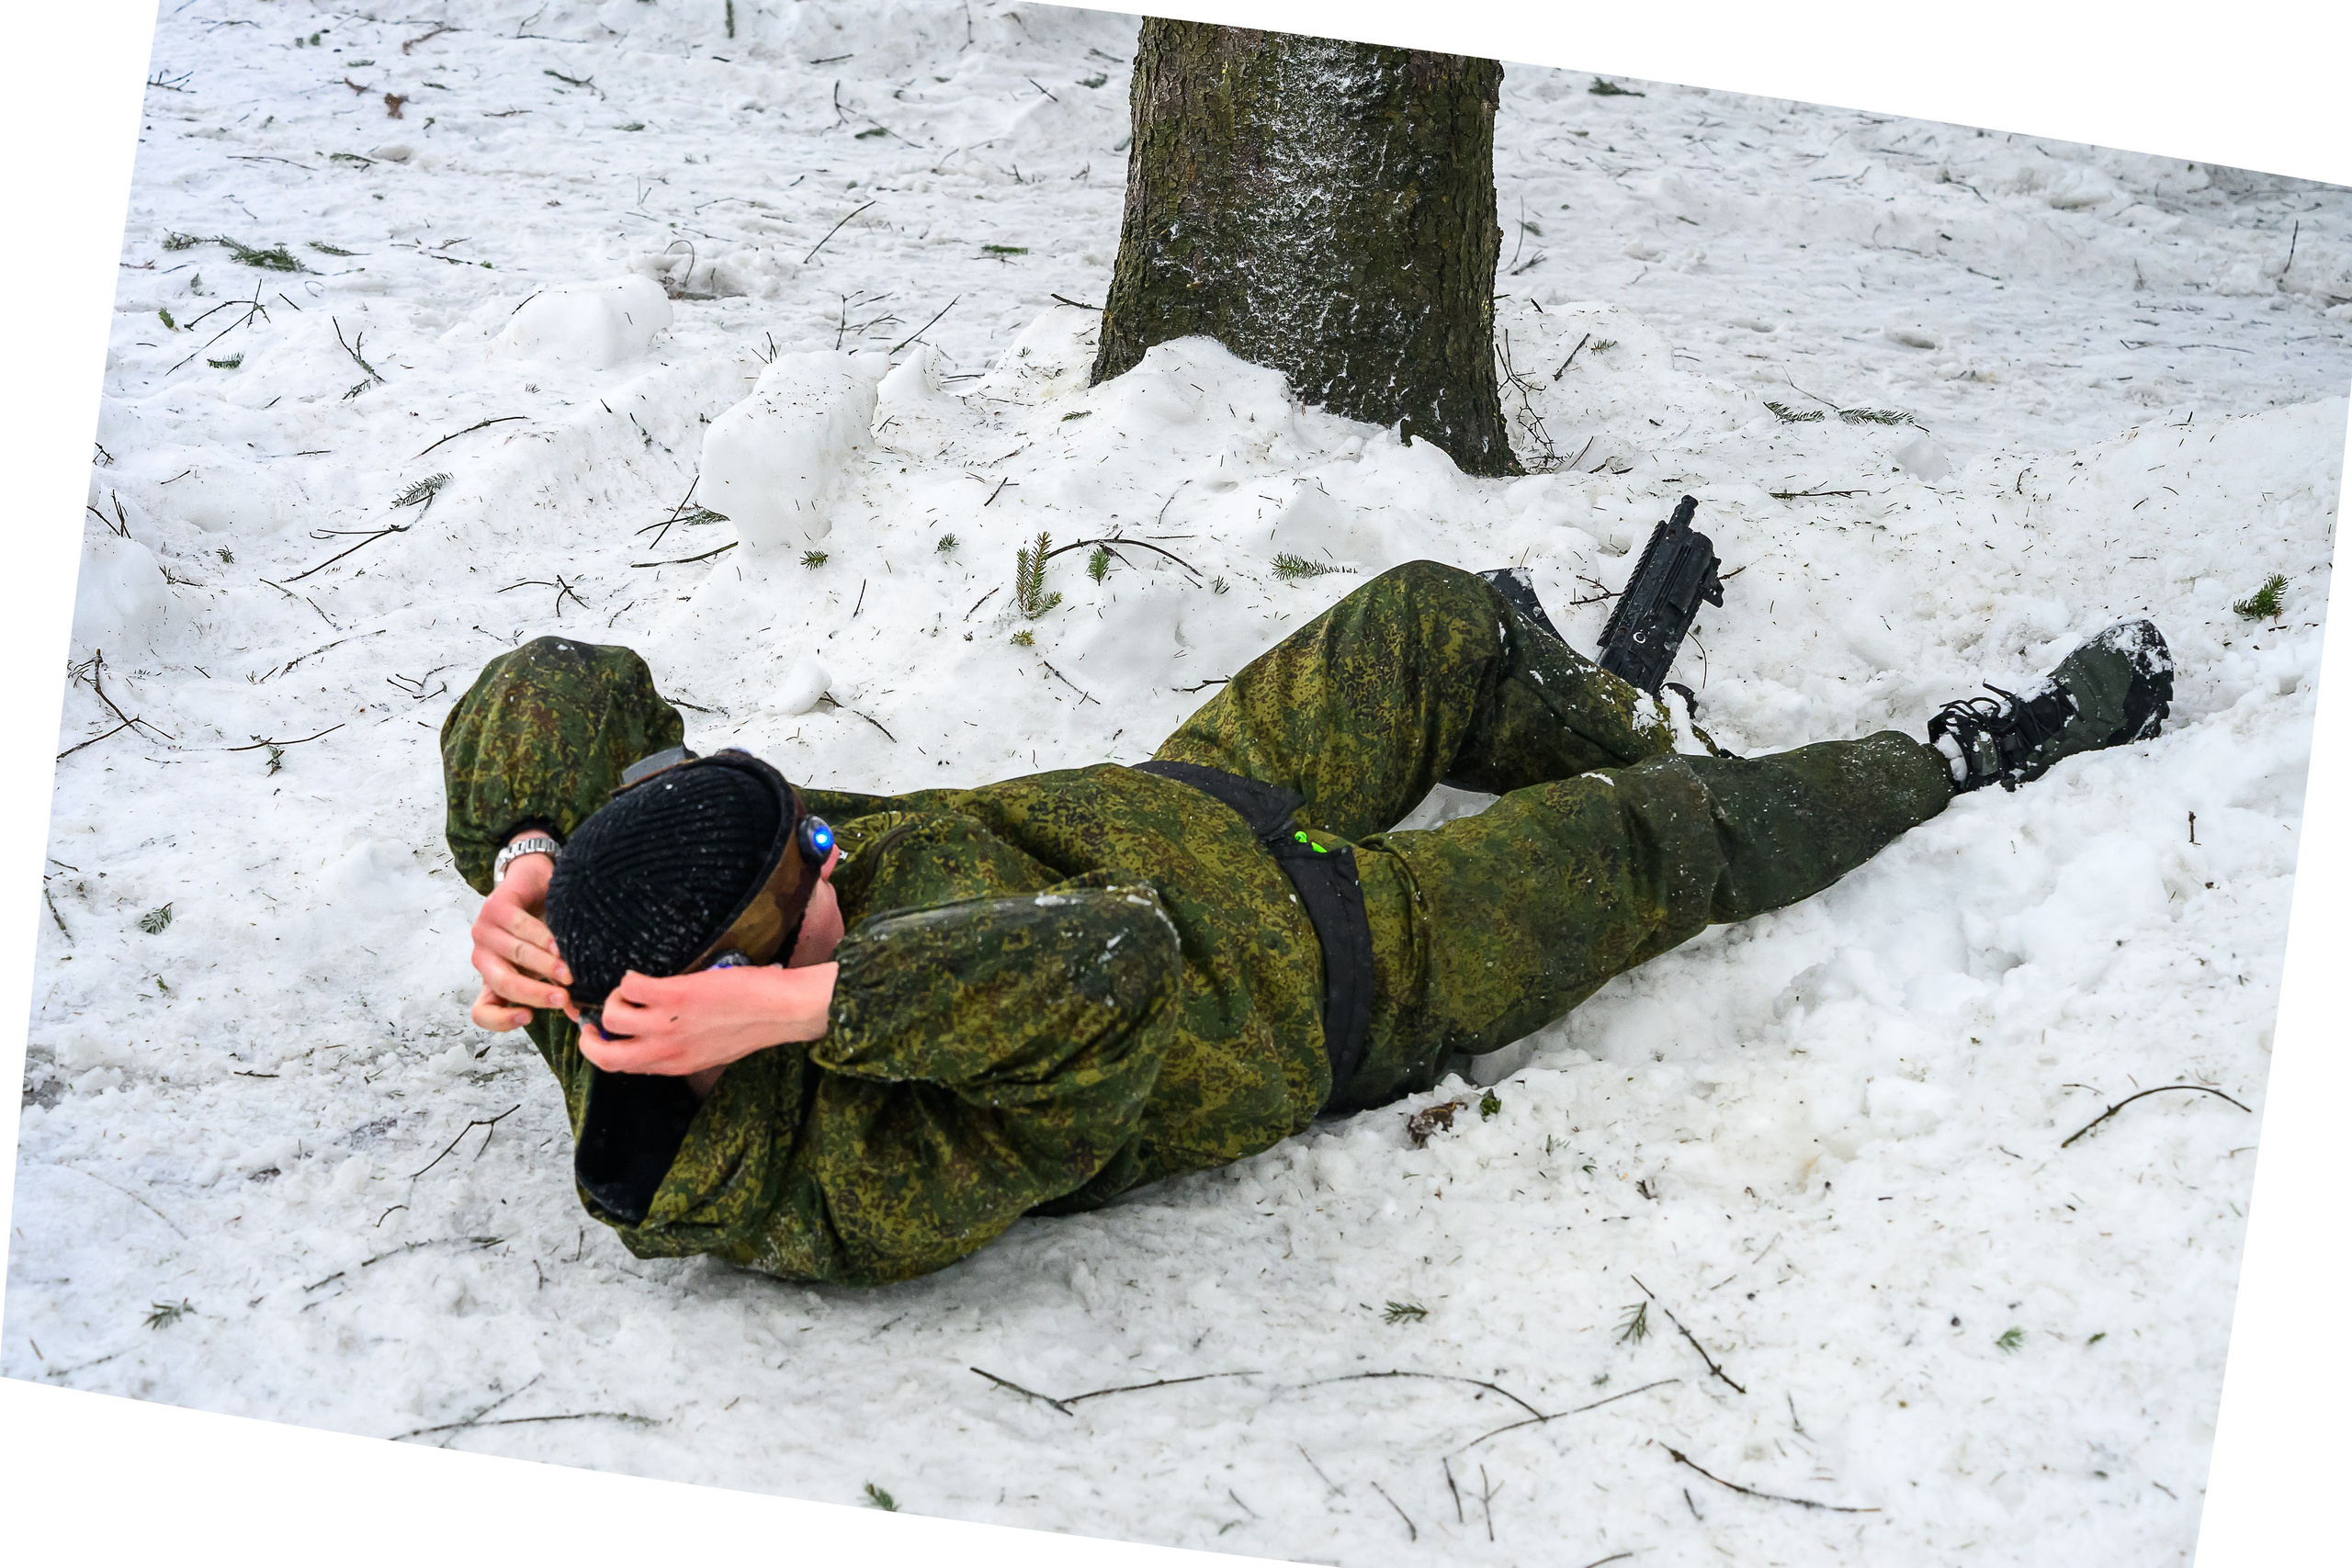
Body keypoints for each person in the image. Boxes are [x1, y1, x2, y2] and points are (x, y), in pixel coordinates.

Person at [446, 561, 2171, 1286]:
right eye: (819, 866)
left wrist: (529, 850)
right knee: (1664, 839)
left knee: (1432, 623)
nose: (846, 847)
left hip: (1210, 795)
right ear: (728, 1004)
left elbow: (546, 690)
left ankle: (1613, 707)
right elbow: (1112, 967)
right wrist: (823, 1014)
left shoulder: (617, 938)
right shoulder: (841, 1171)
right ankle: (1973, 755)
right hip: (1362, 961)